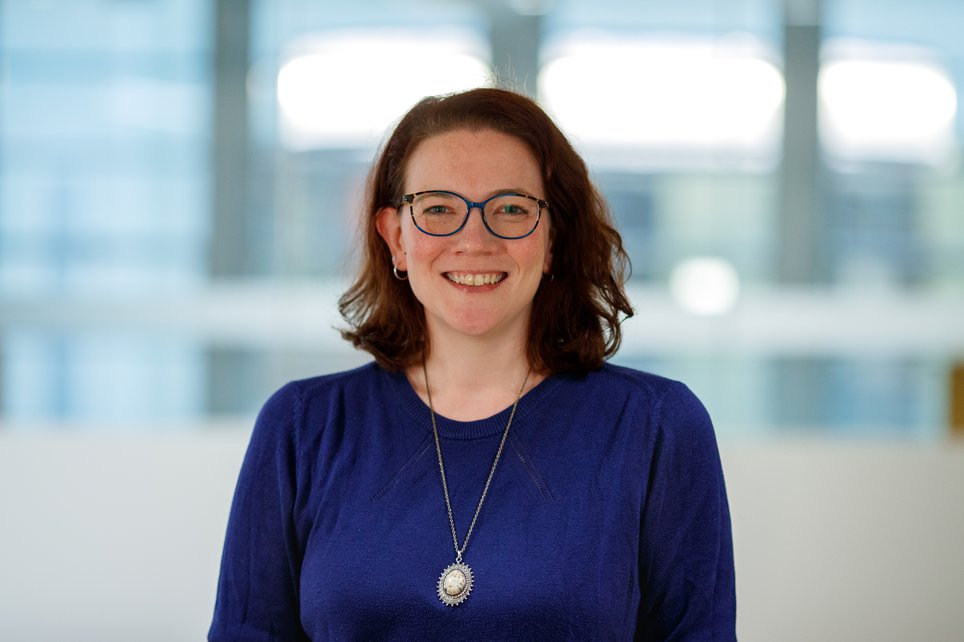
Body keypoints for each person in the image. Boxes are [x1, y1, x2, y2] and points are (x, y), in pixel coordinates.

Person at [209, 87, 736, 641]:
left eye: (511, 208)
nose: (473, 240)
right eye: (438, 209)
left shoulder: (656, 427)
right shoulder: (301, 427)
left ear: (553, 238)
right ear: (396, 239)